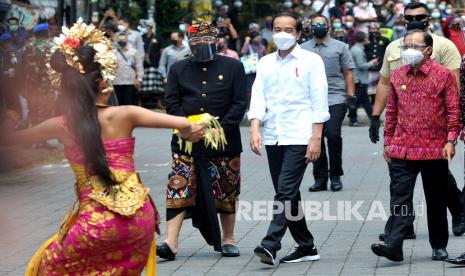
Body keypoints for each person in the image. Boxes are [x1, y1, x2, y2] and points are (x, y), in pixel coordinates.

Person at [15, 19, 202, 275]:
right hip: (139, 221)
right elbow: (187, 124)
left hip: (94, 225)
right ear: (104, 82)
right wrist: (190, 131)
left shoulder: (60, 124)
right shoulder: (126, 114)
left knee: (46, 266)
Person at [369, 2, 465, 239]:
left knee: (440, 186)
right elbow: (385, 84)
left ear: (428, 19)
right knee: (399, 187)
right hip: (403, 135)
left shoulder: (444, 46)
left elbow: (454, 87)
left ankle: (458, 213)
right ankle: (400, 230)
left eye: (420, 16)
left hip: (434, 134)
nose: (414, 20)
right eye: (409, 17)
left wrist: (452, 134)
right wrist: (375, 117)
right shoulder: (394, 48)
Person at [158, 22, 247, 260]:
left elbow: (239, 103)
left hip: (224, 142)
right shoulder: (178, 68)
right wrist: (185, 127)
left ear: (216, 41)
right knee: (179, 185)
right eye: (195, 41)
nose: (201, 46)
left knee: (226, 189)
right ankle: (170, 242)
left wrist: (217, 130)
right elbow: (172, 102)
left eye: (206, 41)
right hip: (186, 140)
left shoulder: (233, 66)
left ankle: (229, 238)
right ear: (188, 42)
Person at [249, 12, 329, 266]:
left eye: (288, 29)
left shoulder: (311, 61)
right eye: (277, 29)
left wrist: (316, 137)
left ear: (297, 33)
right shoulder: (265, 63)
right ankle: (306, 246)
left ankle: (270, 243)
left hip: (300, 135)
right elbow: (258, 97)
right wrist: (254, 128)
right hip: (273, 135)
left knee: (284, 191)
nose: (282, 33)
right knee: (289, 194)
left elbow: (319, 100)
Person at [301, 14, 355, 192]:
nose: (318, 27)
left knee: (332, 135)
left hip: (335, 96)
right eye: (314, 24)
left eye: (321, 24)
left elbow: (348, 72)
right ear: (310, 27)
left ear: (328, 26)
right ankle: (320, 178)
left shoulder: (341, 47)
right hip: (311, 99)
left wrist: (351, 95)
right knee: (316, 137)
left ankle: (335, 175)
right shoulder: (302, 48)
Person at [19, 23, 55, 127]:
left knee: (33, 110)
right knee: (47, 111)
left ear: (35, 34)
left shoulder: (26, 47)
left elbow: (21, 68)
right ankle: (42, 138)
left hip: (31, 85)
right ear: (47, 33)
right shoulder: (52, 47)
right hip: (47, 87)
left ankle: (34, 138)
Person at [348, 32, 378, 126]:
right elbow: (361, 66)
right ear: (364, 39)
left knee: (365, 101)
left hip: (359, 79)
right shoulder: (358, 51)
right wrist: (372, 63)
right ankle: (353, 120)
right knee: (356, 101)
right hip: (359, 79)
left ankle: (374, 119)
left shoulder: (356, 49)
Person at [139, 20, 165, 109]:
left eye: (147, 26)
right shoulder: (141, 37)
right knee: (141, 85)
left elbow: (162, 51)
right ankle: (140, 103)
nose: (145, 27)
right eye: (145, 26)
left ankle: (158, 103)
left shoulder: (158, 37)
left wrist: (161, 63)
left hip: (155, 64)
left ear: (151, 27)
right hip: (143, 64)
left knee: (157, 85)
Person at [113, 32, 144, 106]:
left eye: (123, 39)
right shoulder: (113, 52)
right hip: (117, 82)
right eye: (120, 39)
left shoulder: (134, 52)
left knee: (129, 104)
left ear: (126, 39)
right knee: (118, 104)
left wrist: (139, 79)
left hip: (130, 82)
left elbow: (139, 66)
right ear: (117, 40)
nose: (122, 41)